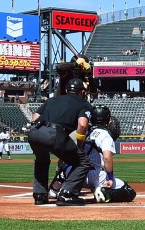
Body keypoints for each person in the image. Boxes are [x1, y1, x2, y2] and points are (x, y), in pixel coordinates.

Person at [28, 77, 93, 206]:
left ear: (67, 90)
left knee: (42, 161)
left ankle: (40, 195)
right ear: (82, 92)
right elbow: (82, 125)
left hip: (34, 132)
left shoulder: (52, 100)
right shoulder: (84, 104)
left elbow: (34, 118)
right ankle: (67, 194)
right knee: (83, 162)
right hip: (54, 133)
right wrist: (79, 145)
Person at [61, 106, 137, 203]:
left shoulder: (82, 131)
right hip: (96, 176)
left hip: (75, 173)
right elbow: (107, 157)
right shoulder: (105, 134)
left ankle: (57, 189)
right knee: (129, 191)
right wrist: (110, 178)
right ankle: (102, 192)